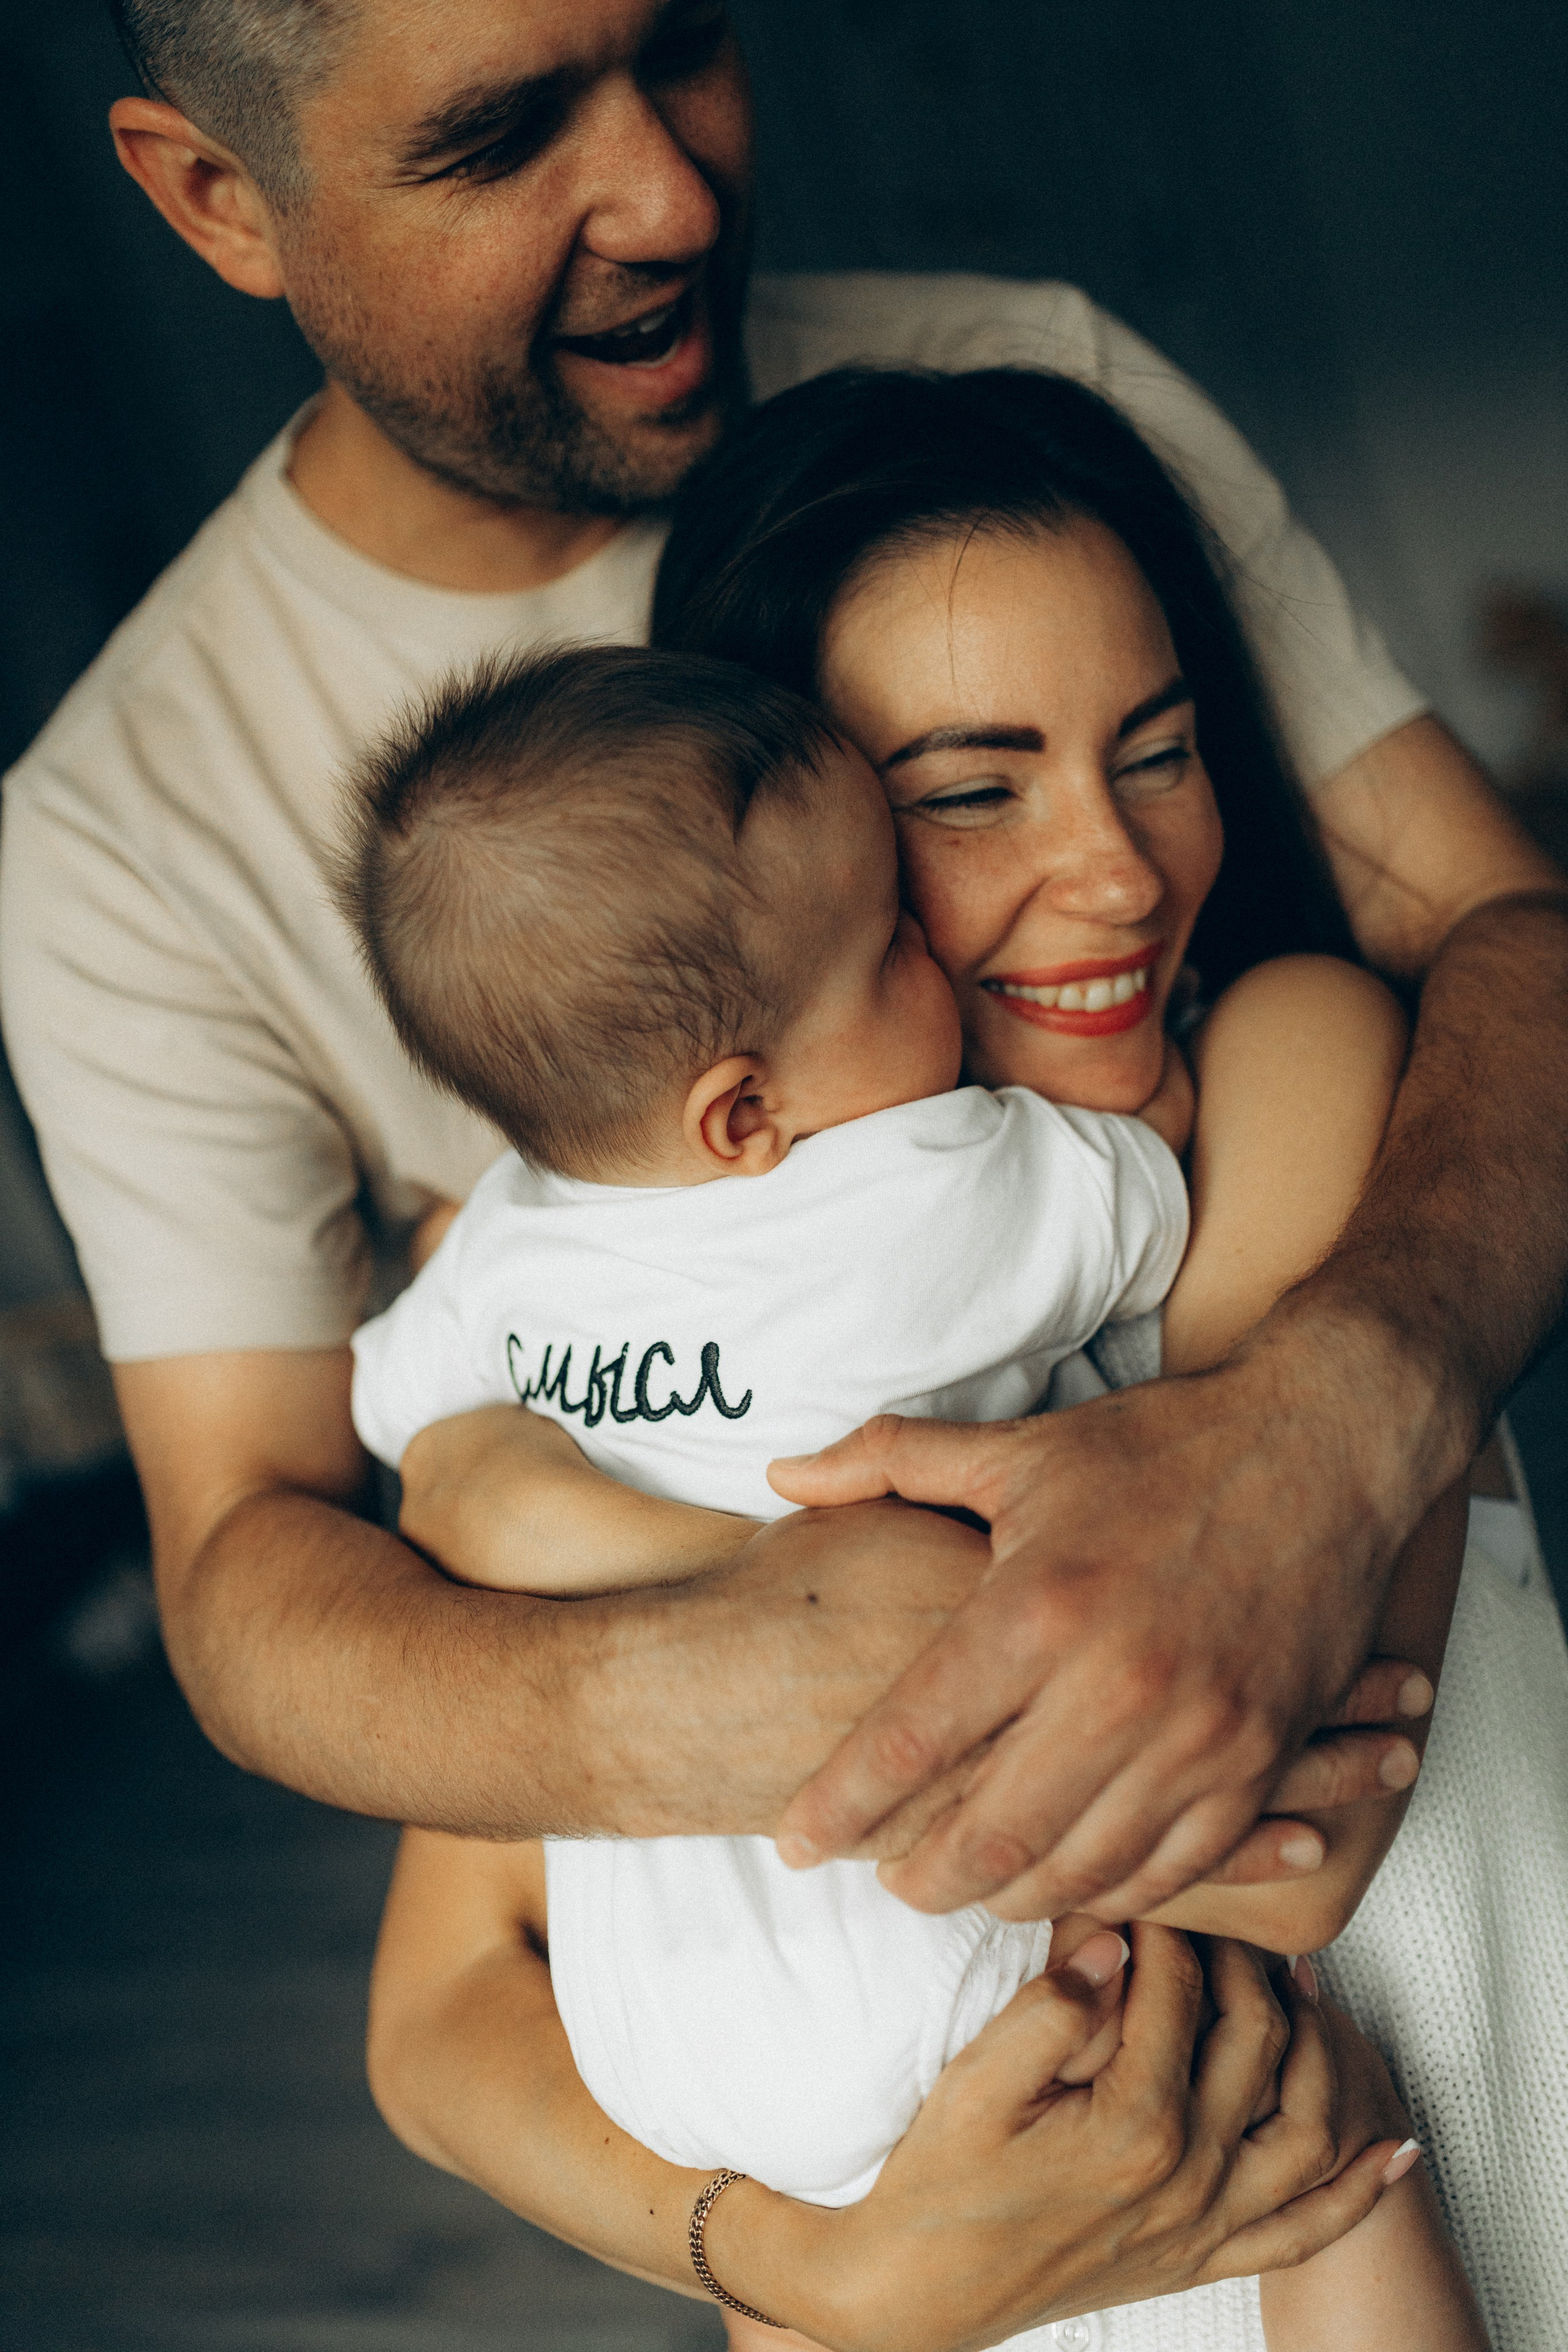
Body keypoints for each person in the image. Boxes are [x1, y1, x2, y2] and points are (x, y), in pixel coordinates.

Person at [0, 0, 1563, 2313]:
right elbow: (277, 1584)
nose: (674, 195)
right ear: (216, 194)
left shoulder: (1031, 403)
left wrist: (1344, 1396)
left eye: (687, 49)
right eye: (509, 133)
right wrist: (814, 2256)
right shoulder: (133, 844)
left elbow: (1490, 931)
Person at [340, 630, 1483, 2350]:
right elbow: (1134, 1197)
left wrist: (511, 1498)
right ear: (744, 1113)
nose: (923, 967)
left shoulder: (508, 1240)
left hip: (662, 2040)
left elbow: (404, 1414)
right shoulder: (925, 1191)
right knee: (1298, 2122)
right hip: (961, 1966)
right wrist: (1159, 1089)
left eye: (1159, 751)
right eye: (907, 899)